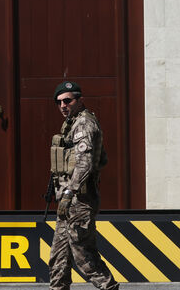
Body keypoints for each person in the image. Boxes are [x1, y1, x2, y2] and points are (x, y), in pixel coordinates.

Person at [48, 81, 118, 290]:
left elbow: (85, 163)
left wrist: (69, 192)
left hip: (79, 201)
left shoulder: (84, 124)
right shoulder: (71, 123)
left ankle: (108, 287)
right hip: (67, 202)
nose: (63, 106)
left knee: (85, 257)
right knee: (58, 258)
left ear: (79, 100)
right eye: (59, 102)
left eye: (68, 100)